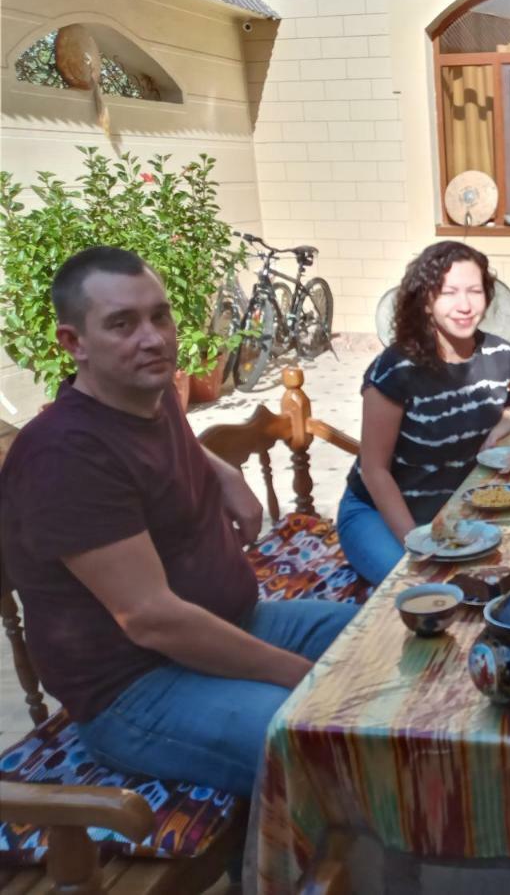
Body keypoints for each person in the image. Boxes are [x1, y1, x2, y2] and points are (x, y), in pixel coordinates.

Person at [0, 246, 356, 798]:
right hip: (136, 688)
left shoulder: (149, 394)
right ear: (74, 343)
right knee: (320, 736)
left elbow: (164, 442)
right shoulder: (66, 458)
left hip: (236, 622)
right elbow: (153, 621)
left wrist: (222, 474)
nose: (153, 338)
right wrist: (298, 676)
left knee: (382, 641)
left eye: (158, 315)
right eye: (122, 323)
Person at [338, 241, 510, 584]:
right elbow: (373, 470)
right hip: (378, 515)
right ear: (426, 301)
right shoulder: (396, 370)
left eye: (475, 291)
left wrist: (509, 416)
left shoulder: (498, 354)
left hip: (455, 514)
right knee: (419, 589)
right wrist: (419, 545)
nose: (465, 305)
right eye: (449, 292)